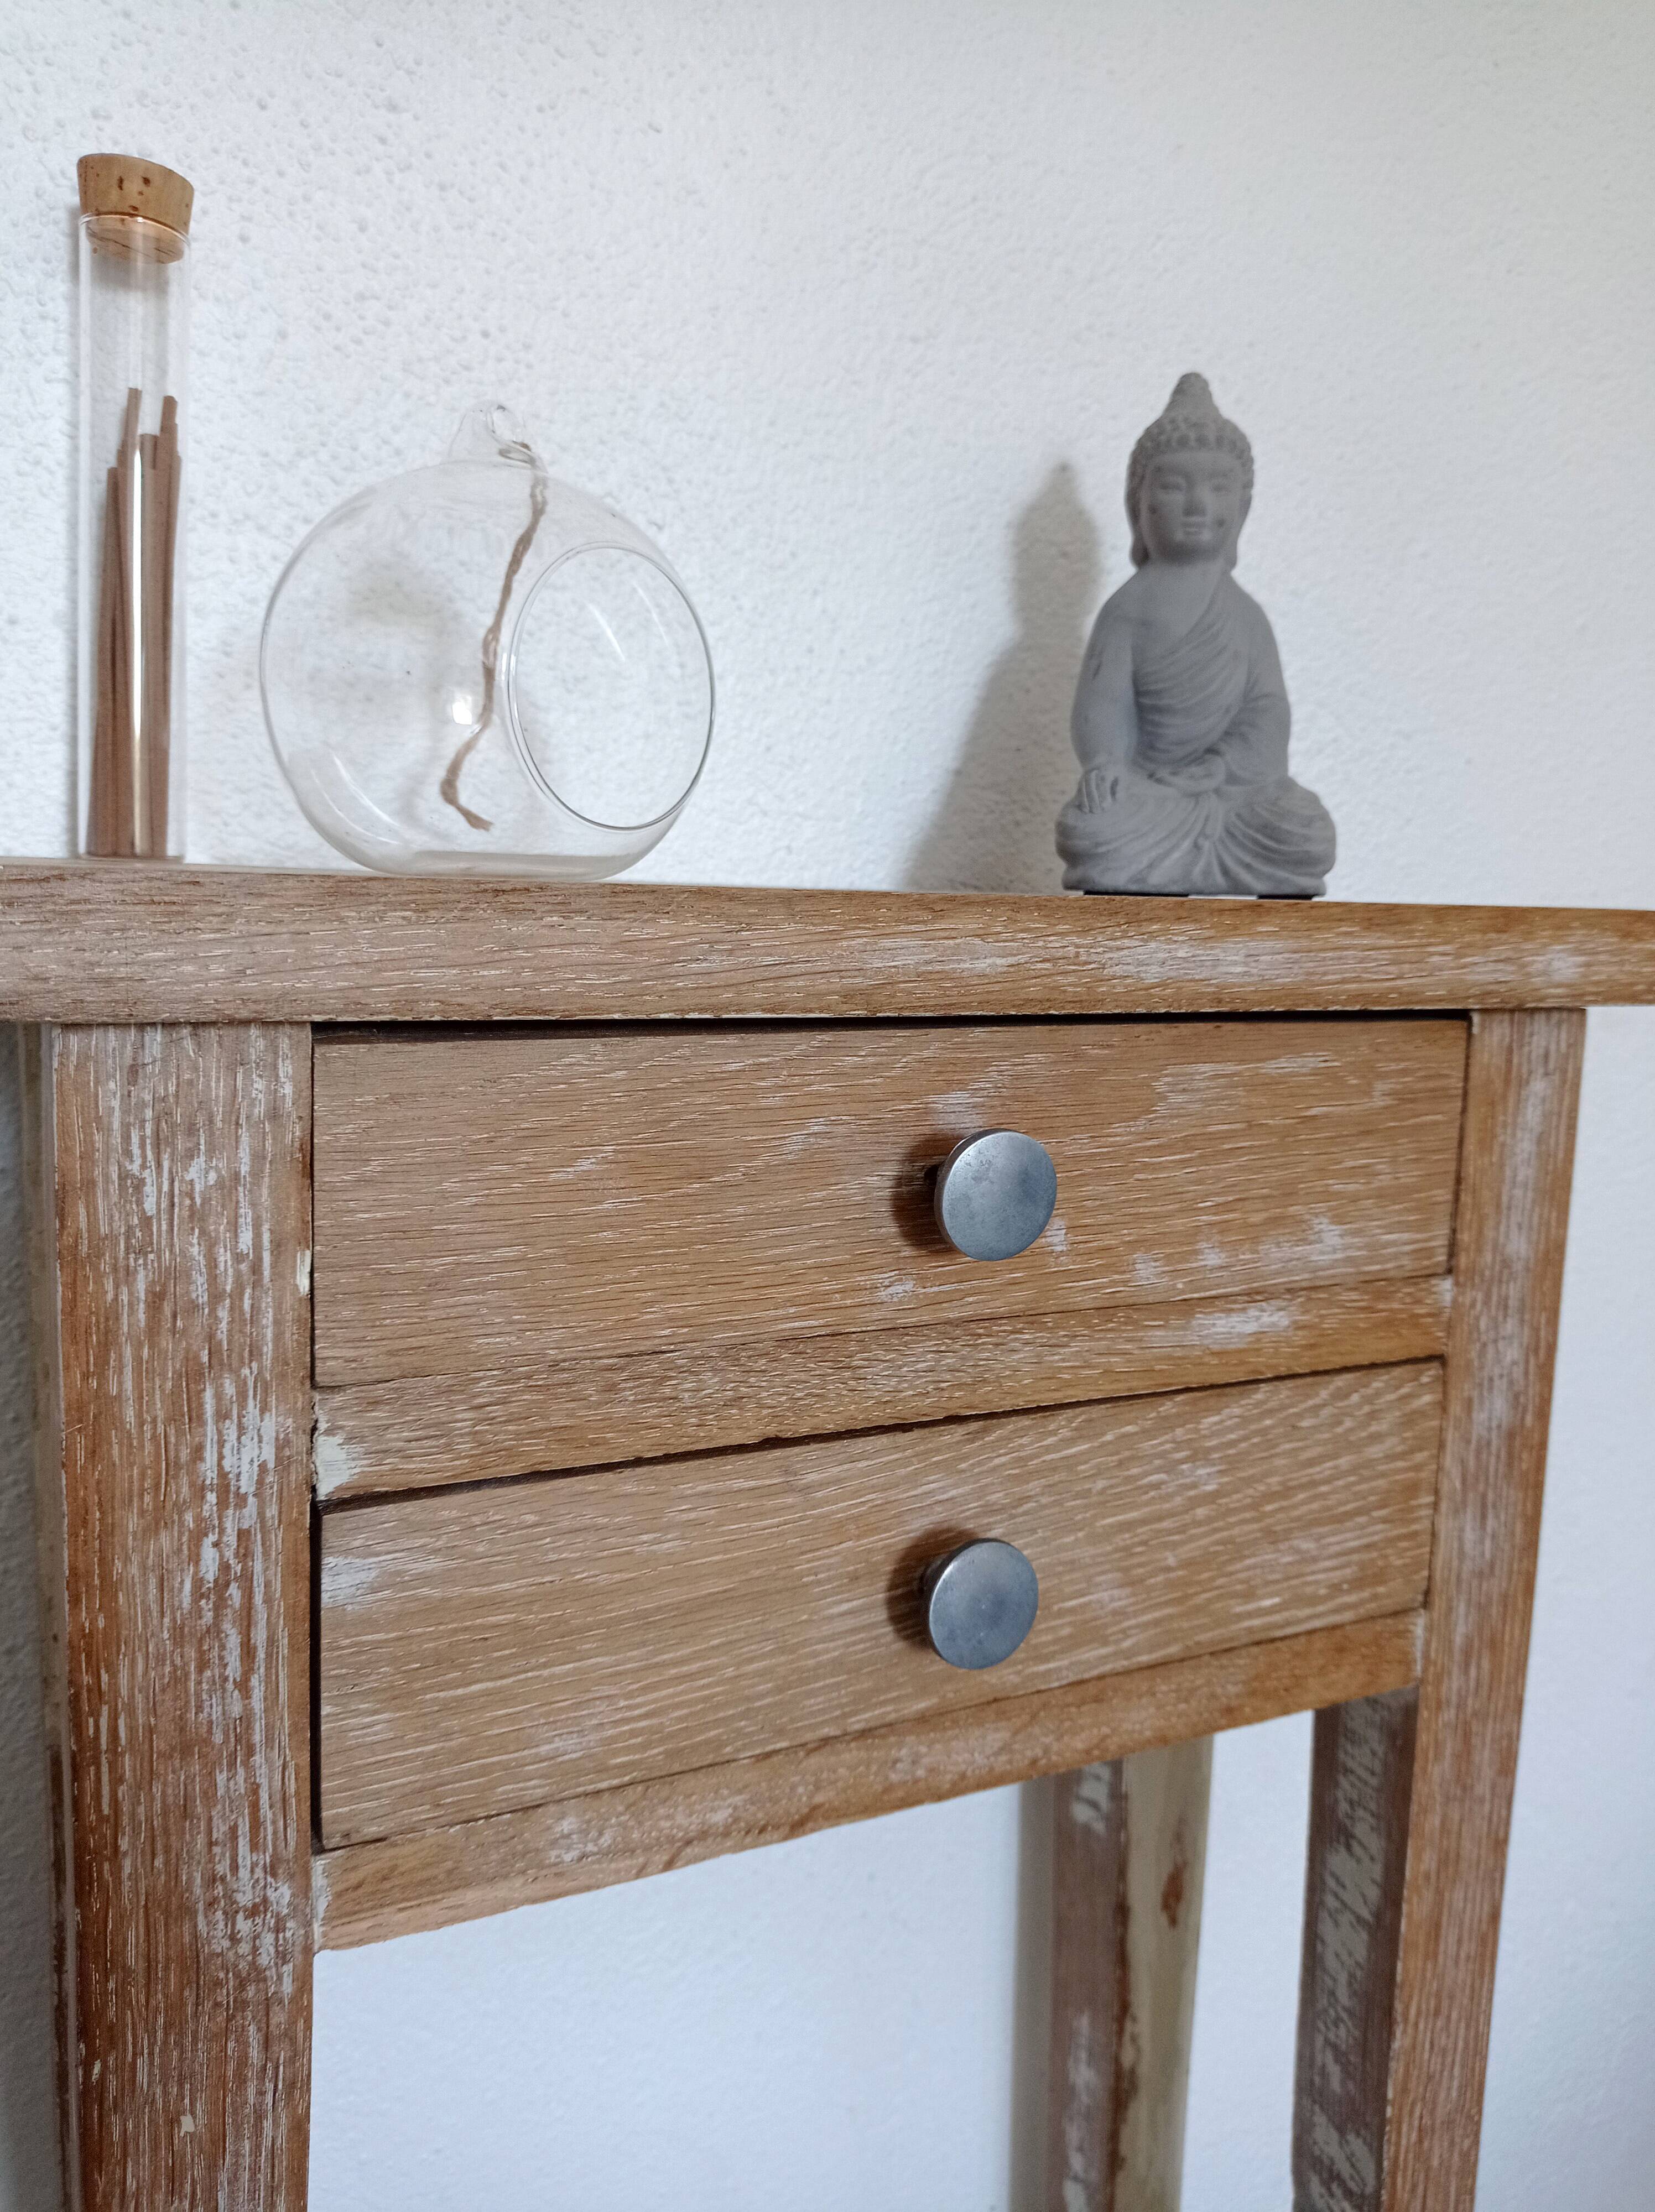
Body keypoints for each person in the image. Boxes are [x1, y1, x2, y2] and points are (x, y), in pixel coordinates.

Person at [1056, 373, 1336, 896]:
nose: (1197, 505)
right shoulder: (1126, 610)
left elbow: (1268, 712)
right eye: (1173, 486)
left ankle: (1207, 855)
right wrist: (1106, 763)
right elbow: (1104, 703)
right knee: (1091, 826)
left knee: (1304, 827)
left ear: (1242, 507)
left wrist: (1218, 768)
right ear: (1138, 503)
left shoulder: (1247, 616)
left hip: (1231, 796)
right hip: (1150, 794)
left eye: (1218, 487)